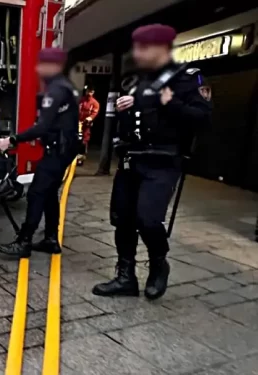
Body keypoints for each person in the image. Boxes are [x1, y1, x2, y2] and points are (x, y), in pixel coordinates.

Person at [92, 24, 211, 300]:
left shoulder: (187, 78)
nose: (138, 53)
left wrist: (170, 104)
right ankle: (125, 278)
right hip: (132, 159)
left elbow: (203, 119)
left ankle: (159, 264)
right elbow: (130, 126)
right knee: (122, 219)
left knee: (148, 219)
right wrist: (123, 112)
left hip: (163, 160)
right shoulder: (136, 82)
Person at [0, 48, 80, 258]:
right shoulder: (63, 87)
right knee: (49, 193)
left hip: (56, 152)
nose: (38, 68)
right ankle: (51, 238)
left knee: (36, 193)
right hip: (62, 150)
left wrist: (11, 140)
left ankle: (24, 241)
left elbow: (42, 127)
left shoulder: (56, 90)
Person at [78, 87, 100, 166]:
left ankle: (81, 158)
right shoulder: (81, 100)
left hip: (86, 124)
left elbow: (94, 113)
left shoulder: (95, 103)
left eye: (91, 91)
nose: (89, 93)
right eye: (88, 91)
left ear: (93, 92)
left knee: (84, 141)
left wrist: (89, 118)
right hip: (78, 123)